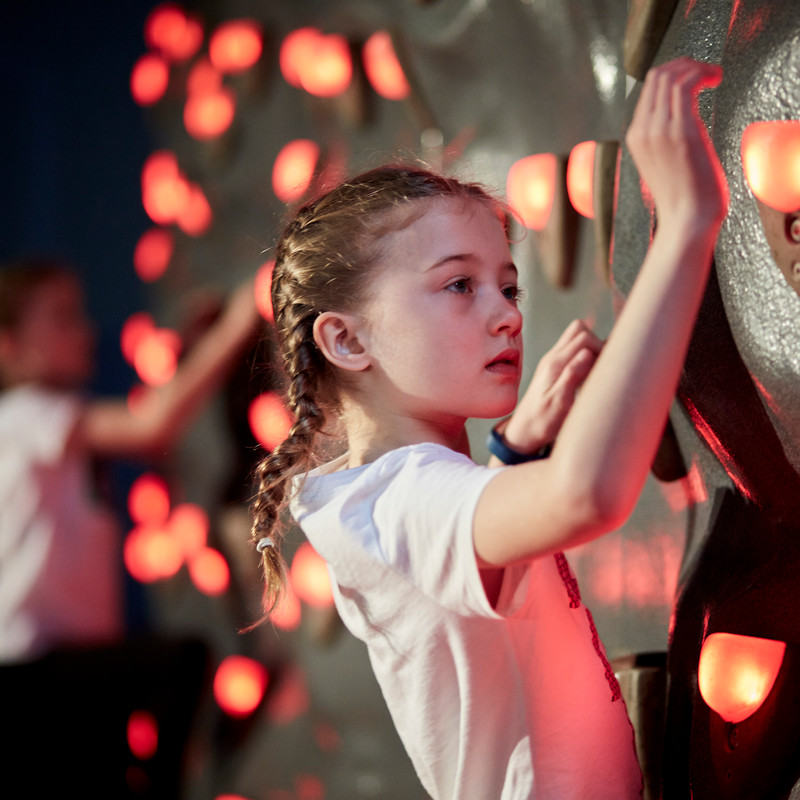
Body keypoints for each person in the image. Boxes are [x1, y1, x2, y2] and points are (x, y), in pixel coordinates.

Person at [249, 58, 728, 799]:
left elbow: (479, 597)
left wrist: (513, 455)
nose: (507, 312)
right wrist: (687, 224)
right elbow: (585, 496)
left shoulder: (396, 500)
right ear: (347, 342)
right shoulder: (394, 506)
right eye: (457, 285)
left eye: (507, 285)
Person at [0, 258, 262, 662]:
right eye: (62, 318)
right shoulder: (25, 416)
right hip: (34, 660)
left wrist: (187, 348)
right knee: (185, 664)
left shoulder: (43, 422)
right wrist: (238, 323)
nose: (85, 331)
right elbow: (150, 425)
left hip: (63, 657)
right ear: (8, 344)